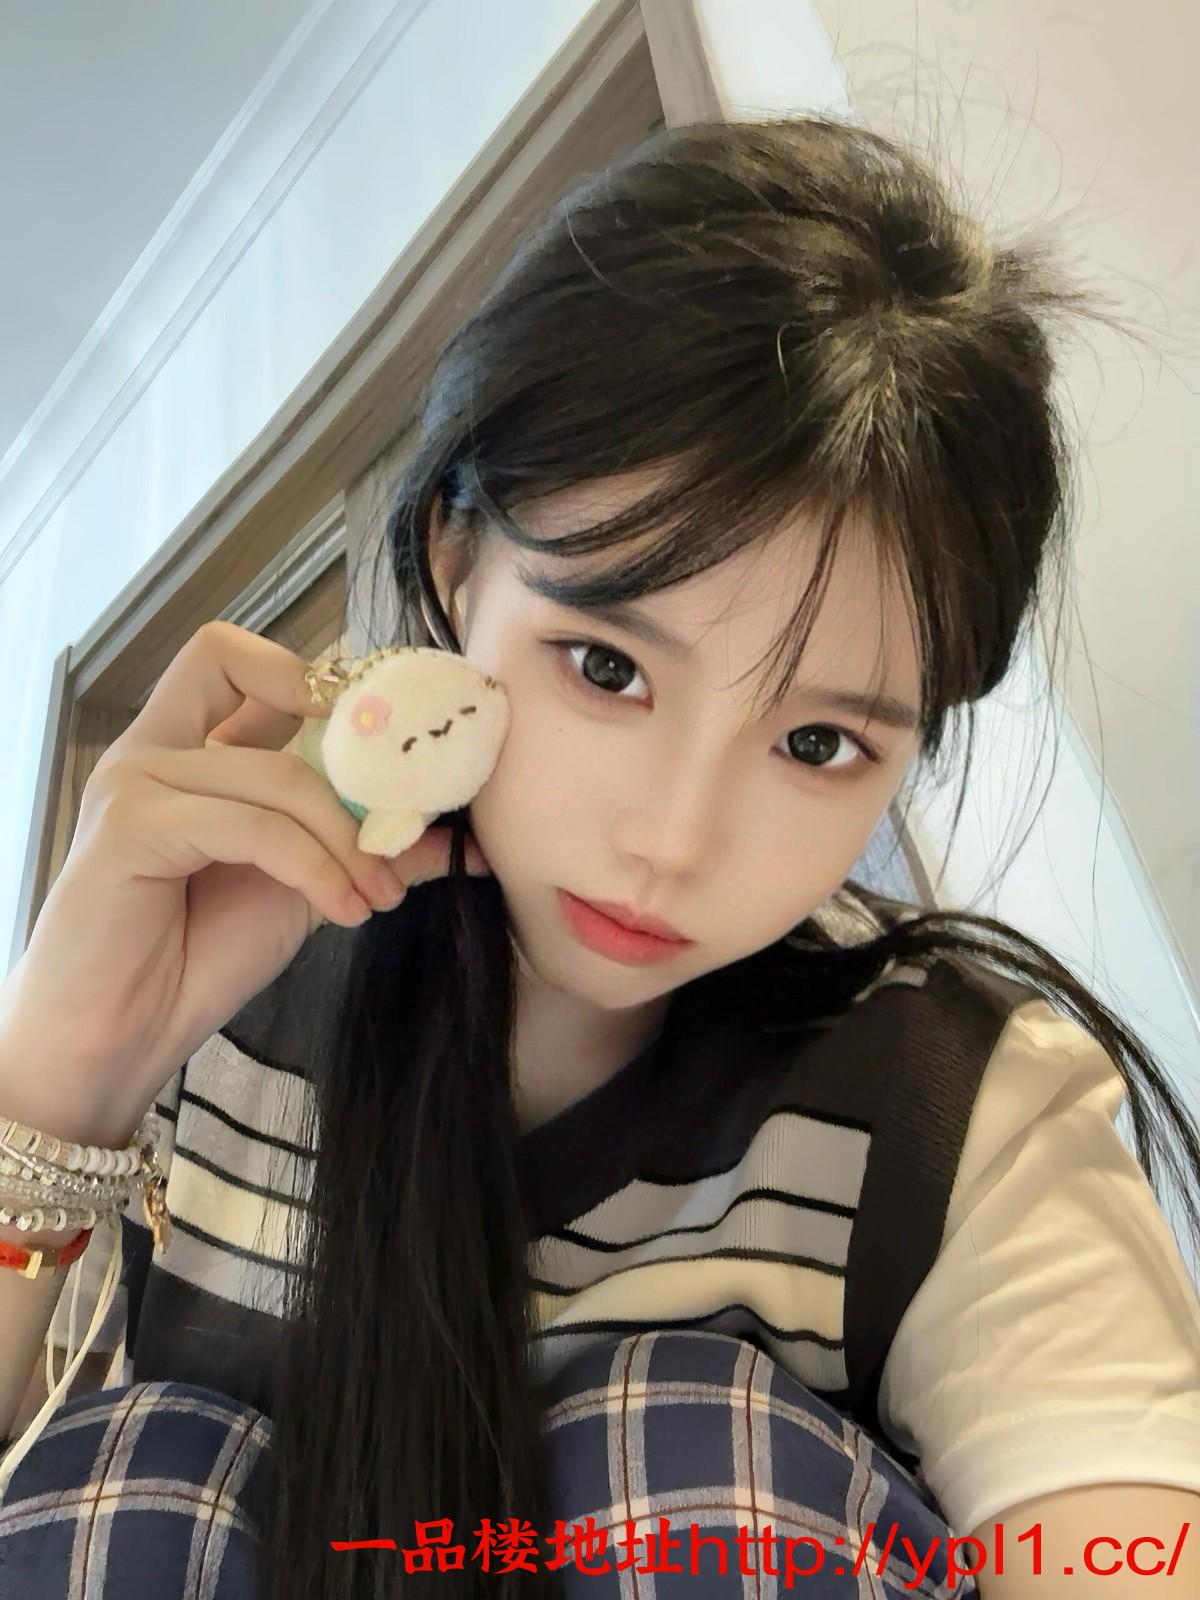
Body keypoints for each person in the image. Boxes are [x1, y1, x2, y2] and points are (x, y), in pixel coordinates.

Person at [0, 112, 1198, 1599]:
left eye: (818, 742)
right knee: (138, 1487)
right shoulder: (215, 985)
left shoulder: (960, 1115)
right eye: (608, 667)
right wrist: (57, 1084)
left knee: (685, 1461)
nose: (673, 842)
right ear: (456, 565)